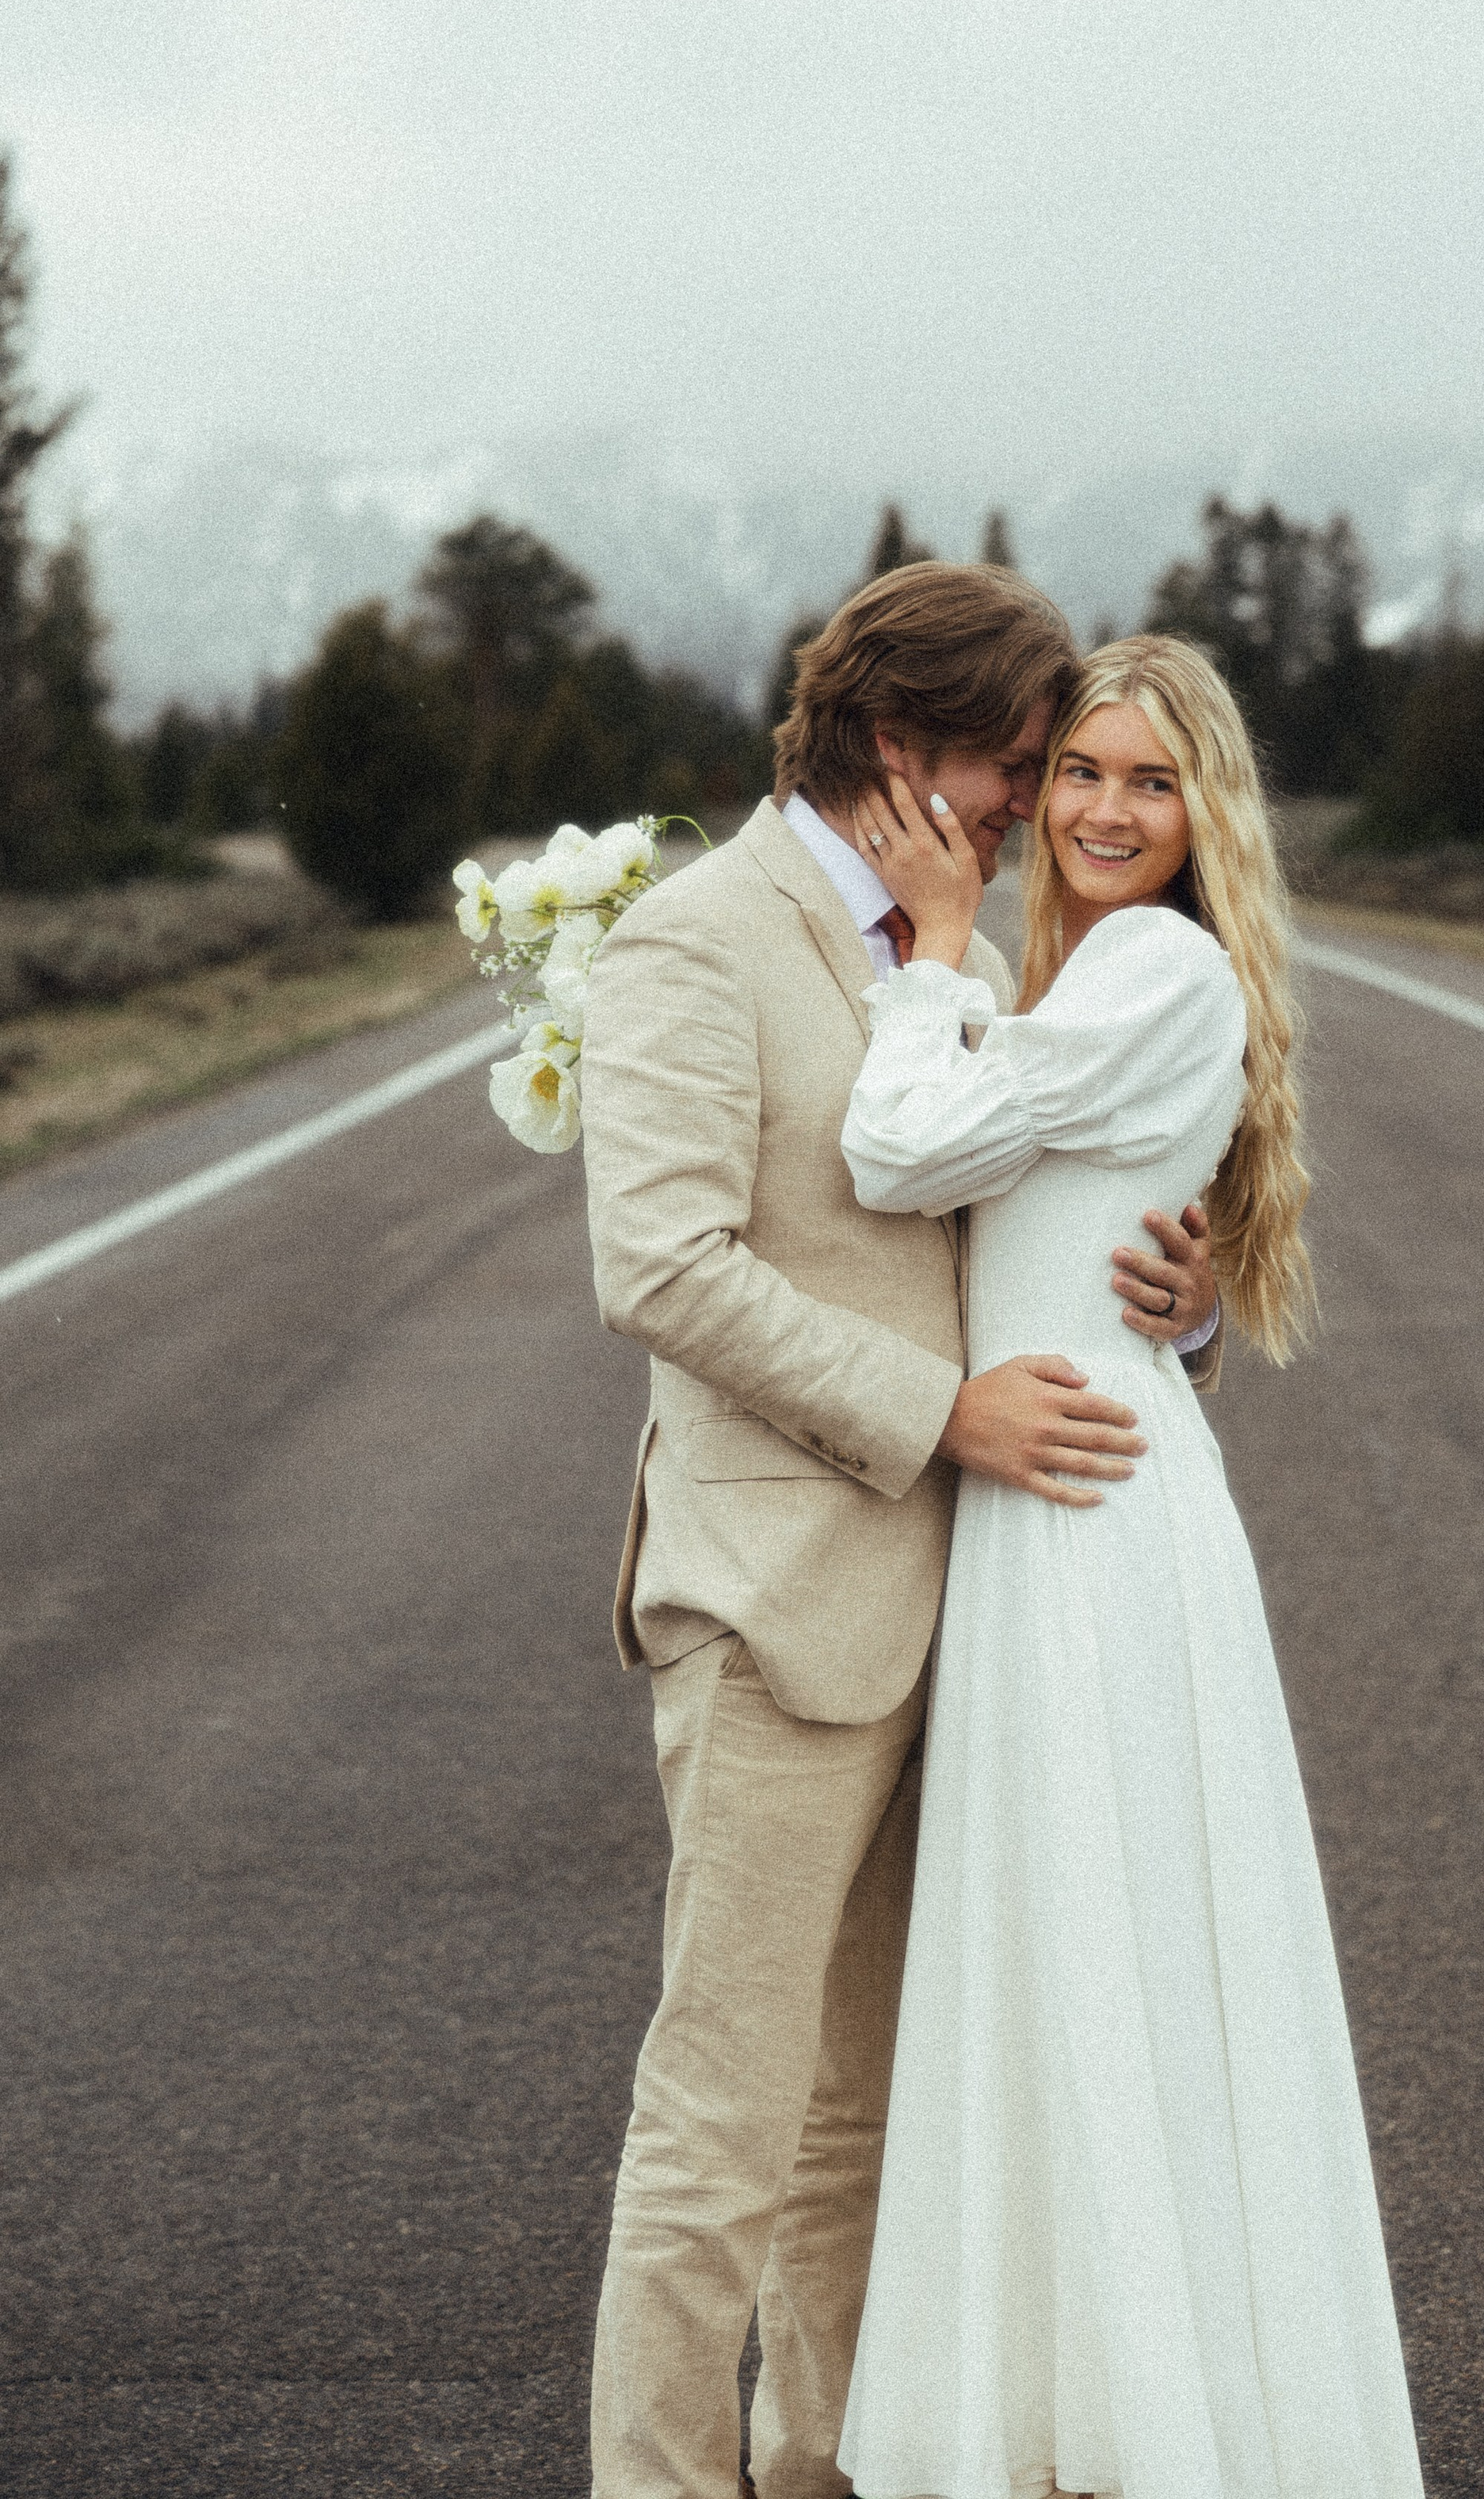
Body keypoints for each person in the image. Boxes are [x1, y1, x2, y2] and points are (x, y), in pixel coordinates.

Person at [577, 565, 1226, 2499]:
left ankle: (827, 2469)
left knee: (876, 2122)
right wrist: (934, 1412)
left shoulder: (969, 938)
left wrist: (1168, 1302)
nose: (1040, 804)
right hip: (781, 1608)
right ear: (893, 745)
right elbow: (662, 1265)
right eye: (1015, 766)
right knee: (724, 2125)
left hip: (990, 1612)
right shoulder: (701, 939)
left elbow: (1018, 1192)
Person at [835, 632, 1425, 2499]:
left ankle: (1146, 2436)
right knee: (1077, 1944)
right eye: (1077, 771)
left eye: (1147, 781)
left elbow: (897, 1146)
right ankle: (1095, 2412)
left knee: (1100, 1937)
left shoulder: (1155, 966)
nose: (1099, 808)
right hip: (1066, 1483)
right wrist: (1176, 1324)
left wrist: (925, 955)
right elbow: (1075, 1239)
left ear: (1204, 814)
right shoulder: (1084, 980)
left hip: (1087, 1516)